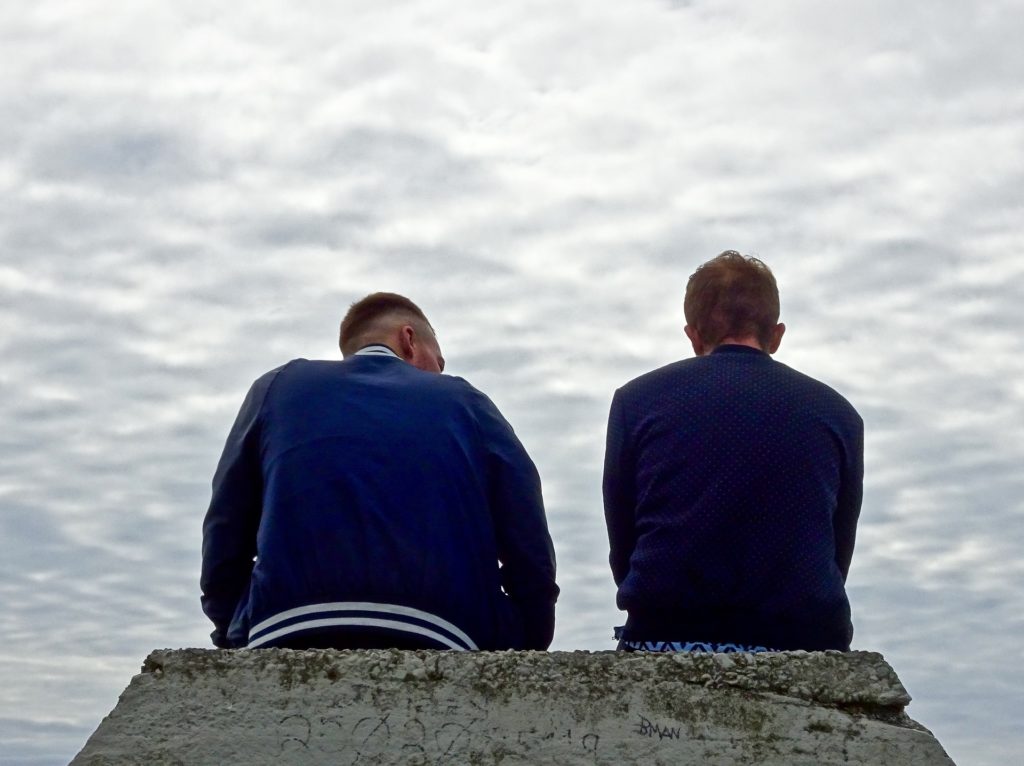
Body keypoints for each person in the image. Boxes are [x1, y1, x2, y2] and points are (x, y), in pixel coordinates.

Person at [201, 292, 558, 651]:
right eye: (440, 360)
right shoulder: (464, 400)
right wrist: (527, 639)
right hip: (441, 631)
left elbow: (225, 526)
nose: (441, 371)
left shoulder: (277, 387)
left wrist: (233, 629)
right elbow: (525, 530)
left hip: (283, 626)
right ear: (409, 339)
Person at [603, 252, 863, 653]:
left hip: (667, 634)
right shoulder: (838, 414)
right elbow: (837, 552)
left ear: (693, 335)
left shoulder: (636, 402)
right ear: (776, 336)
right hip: (802, 640)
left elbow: (624, 545)